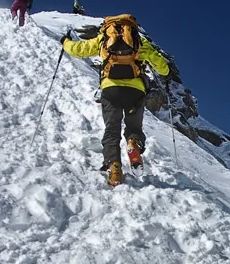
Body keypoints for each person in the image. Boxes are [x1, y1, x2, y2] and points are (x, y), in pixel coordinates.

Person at [61, 14, 169, 186]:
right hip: (135, 91)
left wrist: (65, 42)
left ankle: (114, 166)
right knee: (134, 127)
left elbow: (78, 49)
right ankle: (133, 143)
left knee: (112, 129)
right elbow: (163, 69)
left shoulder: (104, 38)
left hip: (111, 89)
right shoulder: (139, 41)